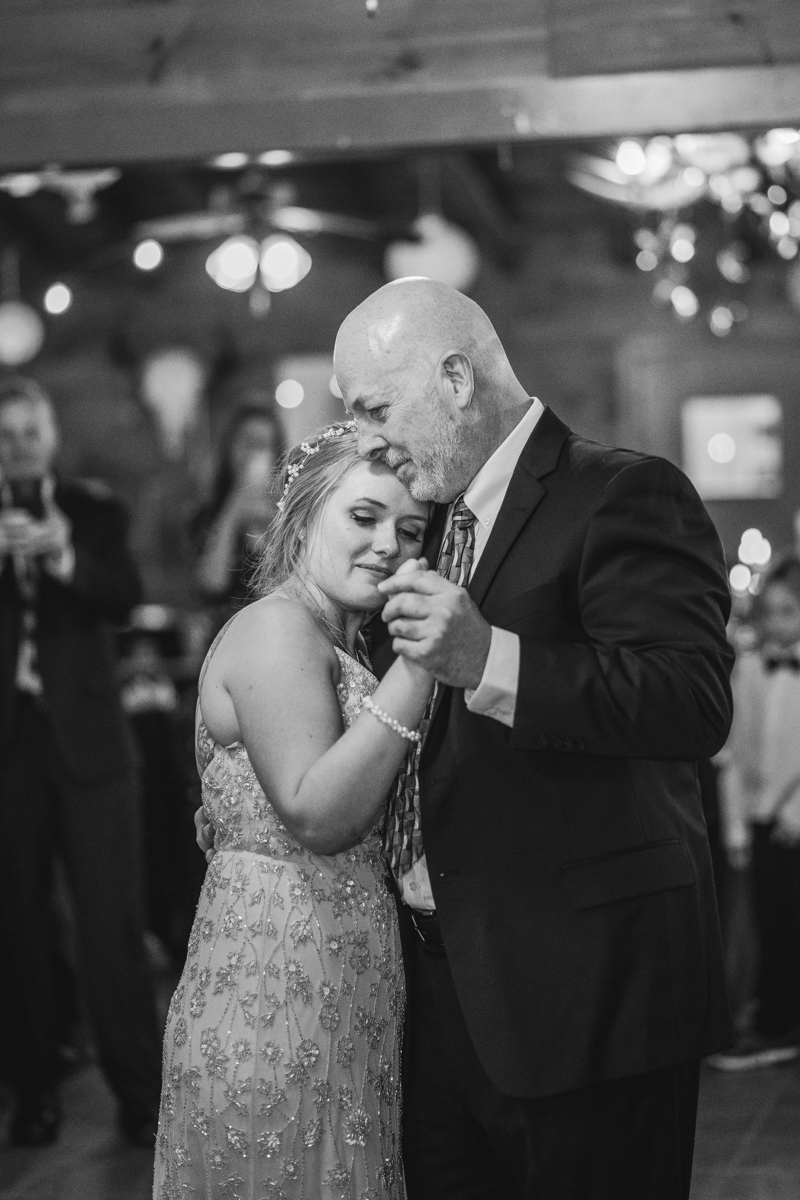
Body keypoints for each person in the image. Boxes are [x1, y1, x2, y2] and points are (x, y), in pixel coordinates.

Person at [329, 278, 735, 1200]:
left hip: (588, 989)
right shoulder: (422, 523)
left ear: (458, 379)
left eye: (375, 409)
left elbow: (690, 701)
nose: (366, 440)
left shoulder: (624, 493)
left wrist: (493, 659)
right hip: (436, 991)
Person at [155, 422, 432, 1199]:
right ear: (305, 515)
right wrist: (422, 665)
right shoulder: (276, 629)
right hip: (273, 995)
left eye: (410, 532)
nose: (389, 546)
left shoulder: (337, 643)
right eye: (365, 516)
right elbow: (316, 812)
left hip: (345, 986)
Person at [0, 375, 162, 1146]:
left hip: (93, 744)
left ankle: (141, 1094)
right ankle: (33, 1093)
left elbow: (125, 599)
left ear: (52, 435)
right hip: (11, 750)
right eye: (5, 435)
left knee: (113, 925)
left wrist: (65, 558)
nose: (20, 447)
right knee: (16, 927)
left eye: (31, 432)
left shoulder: (96, 511)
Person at [709, 553, 800, 1071]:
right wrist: (739, 827)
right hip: (762, 822)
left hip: (793, 822)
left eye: (788, 611)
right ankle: (770, 1021)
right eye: (770, 612)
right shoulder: (748, 670)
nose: (775, 623)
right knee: (767, 923)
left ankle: (780, 1023)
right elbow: (735, 754)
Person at [192, 404, 282, 631]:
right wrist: (235, 507)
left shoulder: (287, 511)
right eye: (248, 442)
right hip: (224, 636)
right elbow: (212, 583)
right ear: (230, 445)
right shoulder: (208, 513)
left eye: (263, 445)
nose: (254, 453)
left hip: (276, 633)